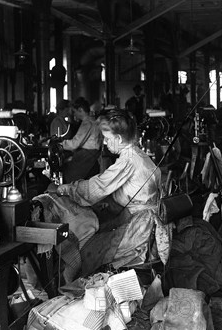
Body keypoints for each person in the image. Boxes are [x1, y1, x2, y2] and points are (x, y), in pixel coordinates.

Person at [47, 108, 168, 277]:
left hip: (139, 229)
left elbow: (99, 186)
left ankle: (80, 291)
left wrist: (66, 189)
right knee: (99, 229)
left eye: (107, 138)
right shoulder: (138, 155)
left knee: (86, 250)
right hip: (140, 219)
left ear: (118, 139)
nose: (105, 142)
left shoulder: (129, 160)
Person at [60, 97, 103, 183]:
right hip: (91, 155)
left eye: (74, 111)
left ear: (80, 110)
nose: (74, 114)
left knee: (66, 176)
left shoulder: (87, 123)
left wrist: (60, 144)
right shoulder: (92, 121)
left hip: (87, 156)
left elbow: (75, 144)